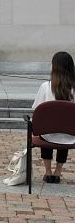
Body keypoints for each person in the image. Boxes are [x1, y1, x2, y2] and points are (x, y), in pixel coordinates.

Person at [32, 51, 75, 184]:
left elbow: (37, 109)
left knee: (48, 131)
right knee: (65, 134)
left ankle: (48, 171)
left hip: (47, 135)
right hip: (70, 135)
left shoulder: (45, 87)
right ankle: (58, 172)